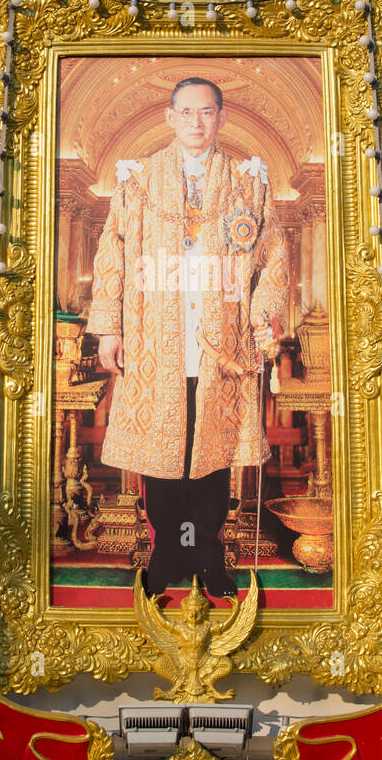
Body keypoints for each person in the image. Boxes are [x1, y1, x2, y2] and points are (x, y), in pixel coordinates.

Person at [85, 76, 289, 597]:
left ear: (221, 118)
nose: (197, 122)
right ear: (170, 117)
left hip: (225, 342)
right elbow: (112, 257)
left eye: (207, 113)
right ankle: (167, 554)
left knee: (213, 454)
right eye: (187, 112)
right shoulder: (138, 180)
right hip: (157, 338)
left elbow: (272, 256)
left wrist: (265, 315)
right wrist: (109, 328)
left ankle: (207, 557)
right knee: (165, 454)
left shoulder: (248, 183)